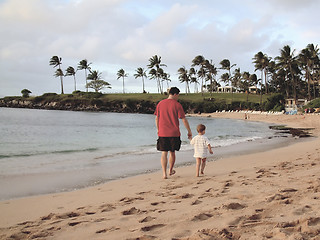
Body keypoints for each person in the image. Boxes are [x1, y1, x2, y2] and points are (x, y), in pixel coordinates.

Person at [154, 87, 192, 179]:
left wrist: (158, 129)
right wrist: (189, 131)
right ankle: (170, 170)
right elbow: (183, 119)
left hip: (163, 133)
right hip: (174, 133)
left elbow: (157, 118)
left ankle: (164, 173)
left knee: (164, 153)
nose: (178, 97)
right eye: (178, 95)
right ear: (175, 94)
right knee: (172, 152)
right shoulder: (177, 105)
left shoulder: (160, 103)